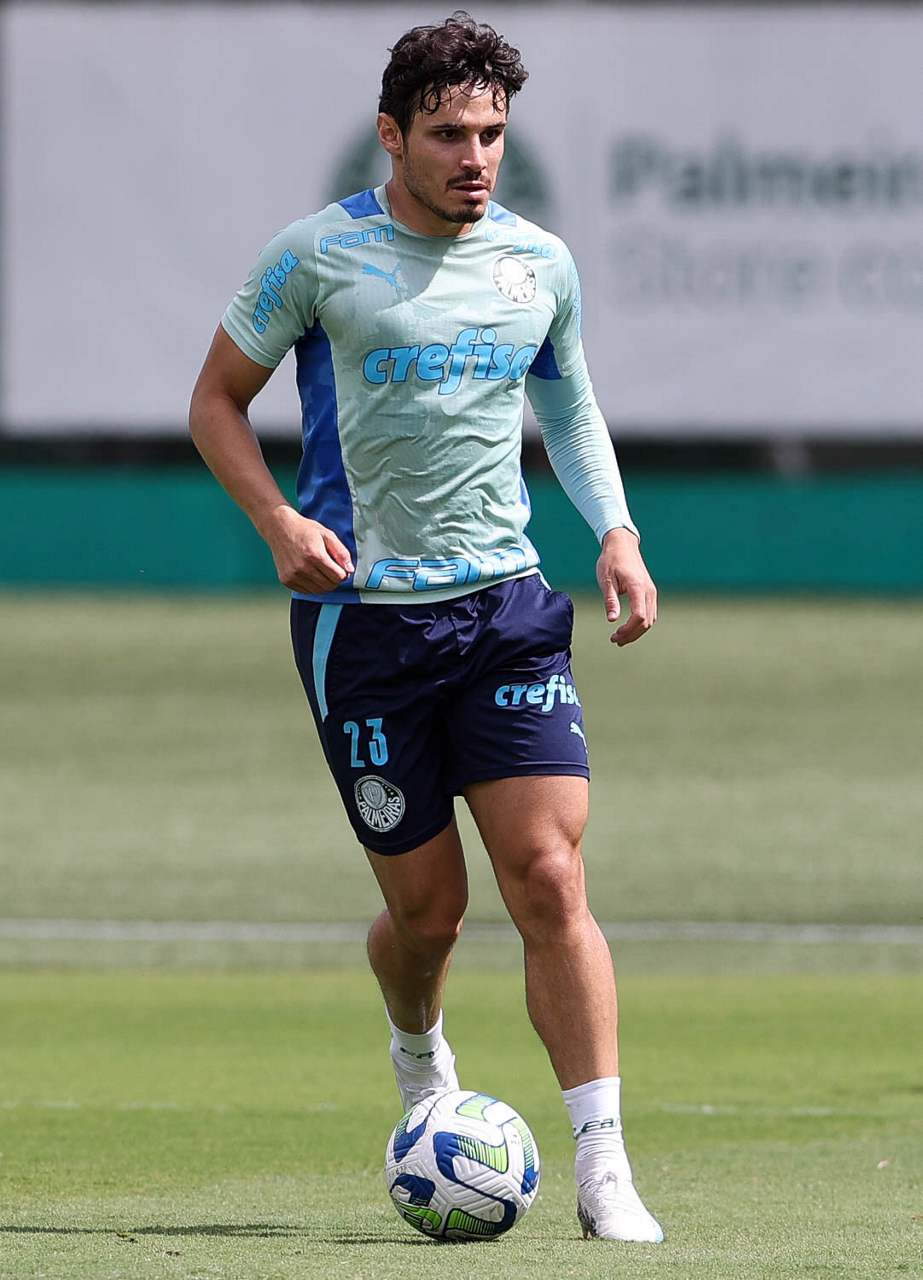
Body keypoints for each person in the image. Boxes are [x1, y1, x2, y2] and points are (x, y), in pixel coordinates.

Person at [189, 10, 662, 1244]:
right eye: (449, 133)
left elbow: (570, 407)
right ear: (391, 136)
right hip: (362, 629)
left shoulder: (537, 263)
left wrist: (613, 530)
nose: (475, 157)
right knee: (429, 915)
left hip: (506, 611)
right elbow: (216, 401)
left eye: (492, 133)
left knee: (548, 875)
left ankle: (602, 1162)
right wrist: (277, 521)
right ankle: (418, 1052)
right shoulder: (316, 256)